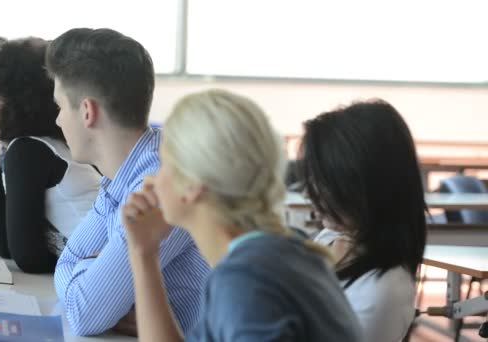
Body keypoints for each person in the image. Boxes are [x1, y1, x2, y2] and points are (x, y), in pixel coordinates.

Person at [122, 89, 363, 341]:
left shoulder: (245, 283)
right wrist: (144, 253)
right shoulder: (285, 253)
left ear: (193, 185)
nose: (152, 180)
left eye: (164, 164)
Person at [46, 28, 209, 336]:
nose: (57, 120)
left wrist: (91, 278)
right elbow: (69, 259)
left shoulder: (161, 183)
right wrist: (91, 276)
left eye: (59, 106)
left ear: (86, 112)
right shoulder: (123, 175)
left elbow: (85, 313)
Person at [0, 37, 100, 273]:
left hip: (103, 282)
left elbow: (27, 258)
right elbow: (8, 248)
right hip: (93, 277)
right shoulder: (35, 147)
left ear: (23, 104)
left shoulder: (28, 151)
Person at [302, 100, 427, 342]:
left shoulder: (382, 290)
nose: (310, 193)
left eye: (322, 180)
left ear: (364, 185)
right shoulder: (334, 238)